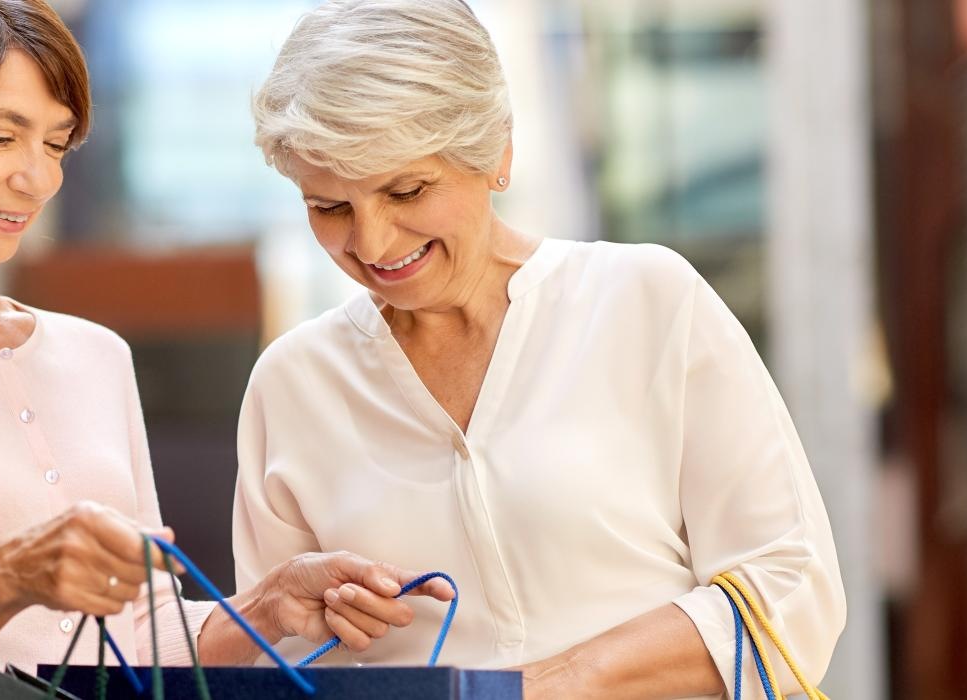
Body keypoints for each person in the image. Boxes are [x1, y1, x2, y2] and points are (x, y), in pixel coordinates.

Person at [0, 2, 449, 698]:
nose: (39, 178)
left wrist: (265, 608)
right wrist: (6, 578)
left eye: (55, 144)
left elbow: (142, 646)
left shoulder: (96, 356)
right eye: (1, 136)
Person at [237, 1, 846, 697]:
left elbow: (789, 596)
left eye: (405, 189)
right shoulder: (291, 384)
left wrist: (543, 684)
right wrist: (313, 629)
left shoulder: (647, 301)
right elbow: (271, 668)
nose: (372, 244)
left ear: (496, 150)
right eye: (330, 207)